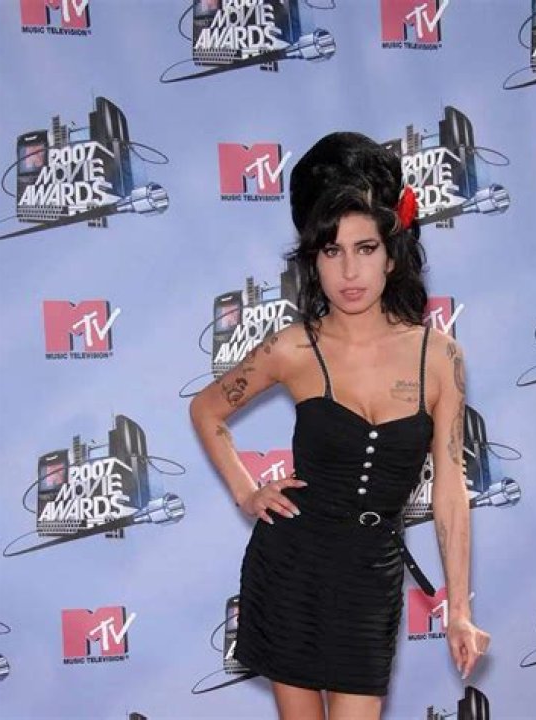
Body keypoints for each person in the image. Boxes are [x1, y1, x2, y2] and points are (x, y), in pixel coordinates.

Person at [190, 132, 490, 720]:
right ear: (314, 262)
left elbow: (451, 490)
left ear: (392, 255)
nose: (350, 270)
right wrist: (248, 492)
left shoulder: (439, 357)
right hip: (290, 567)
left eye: (365, 248)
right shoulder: (293, 348)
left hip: (369, 581)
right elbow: (206, 409)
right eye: (332, 251)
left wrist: (458, 610)